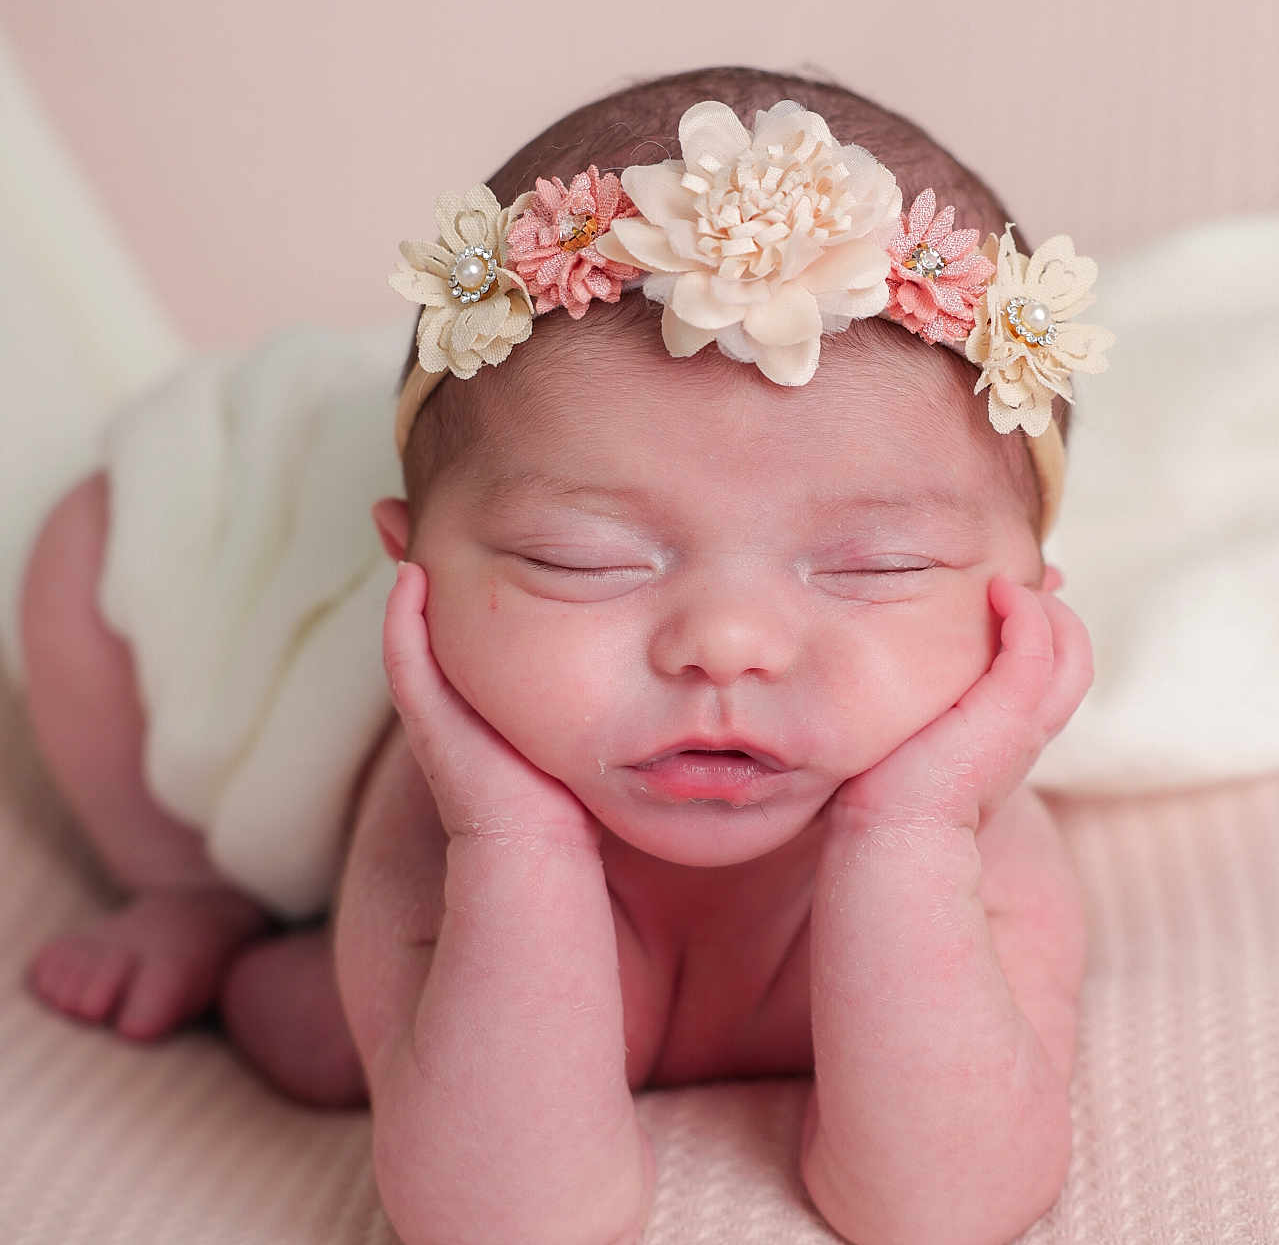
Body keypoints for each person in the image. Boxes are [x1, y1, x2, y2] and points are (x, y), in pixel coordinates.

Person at [20, 65, 1113, 1245]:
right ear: (415, 579)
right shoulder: (429, 834)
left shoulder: (986, 854)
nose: (724, 646)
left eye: (874, 568)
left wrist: (908, 835)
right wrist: (511, 838)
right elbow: (518, 1222)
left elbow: (941, 1211)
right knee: (94, 546)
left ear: (1024, 607)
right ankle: (182, 887)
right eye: (583, 560)